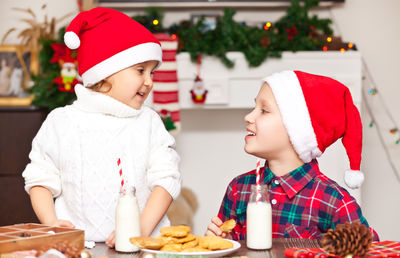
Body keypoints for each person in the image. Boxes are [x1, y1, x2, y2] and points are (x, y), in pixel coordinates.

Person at [22, 7, 181, 246]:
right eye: (140, 70)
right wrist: (51, 222)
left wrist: (141, 230)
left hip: (143, 246)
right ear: (106, 73)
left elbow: (166, 180)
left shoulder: (149, 122)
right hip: (77, 246)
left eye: (152, 72)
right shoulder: (61, 122)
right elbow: (40, 179)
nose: (149, 82)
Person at [206, 70, 379, 241]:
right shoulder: (238, 189)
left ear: (296, 131)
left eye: (264, 110)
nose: (248, 116)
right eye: (254, 107)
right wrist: (223, 243)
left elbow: (369, 249)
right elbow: (228, 248)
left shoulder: (334, 201)